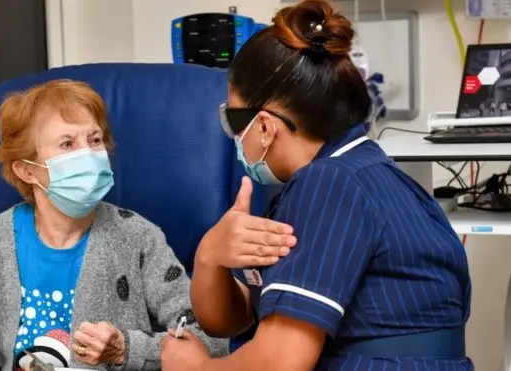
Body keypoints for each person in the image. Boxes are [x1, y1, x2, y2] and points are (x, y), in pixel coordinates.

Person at [160, 1, 473, 370]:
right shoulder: (365, 174)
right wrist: (209, 255)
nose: (233, 136)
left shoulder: (330, 184)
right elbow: (239, 316)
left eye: (233, 120)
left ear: (263, 127)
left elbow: (280, 363)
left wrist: (196, 369)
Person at [0, 79, 228, 371]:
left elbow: (211, 340)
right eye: (68, 144)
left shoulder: (137, 237)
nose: (88, 155)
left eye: (94, 140)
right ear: (27, 169)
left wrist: (126, 350)